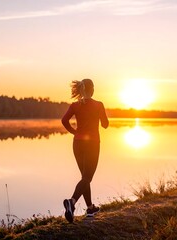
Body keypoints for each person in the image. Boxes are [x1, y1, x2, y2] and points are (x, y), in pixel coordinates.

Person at [61, 79, 109, 223]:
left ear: (81, 90)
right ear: (92, 89)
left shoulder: (76, 105)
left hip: (77, 143)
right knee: (87, 177)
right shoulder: (99, 105)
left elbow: (64, 120)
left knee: (84, 176)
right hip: (92, 144)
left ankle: (90, 208)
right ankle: (72, 202)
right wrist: (102, 117)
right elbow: (105, 125)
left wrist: (74, 132)